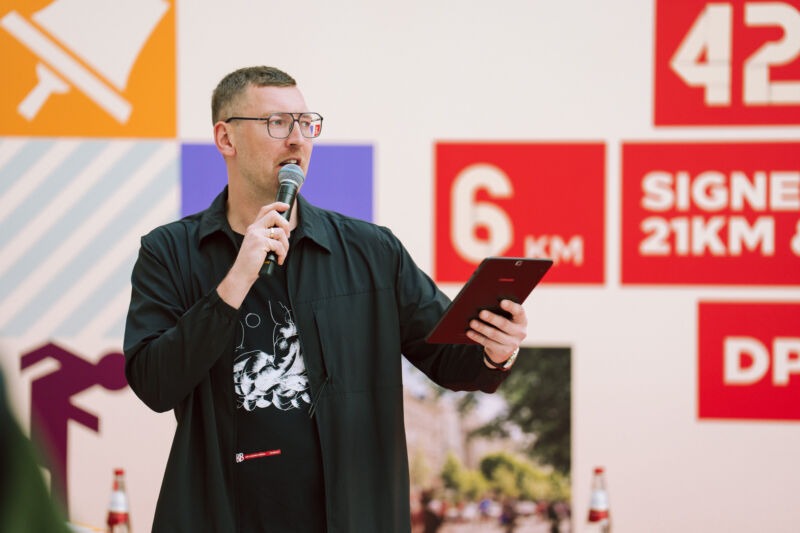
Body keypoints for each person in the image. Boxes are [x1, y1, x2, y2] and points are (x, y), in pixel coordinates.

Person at [123, 65, 527, 532]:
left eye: (305, 123)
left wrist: (497, 350)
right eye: (277, 123)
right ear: (226, 139)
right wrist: (235, 281)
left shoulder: (373, 252)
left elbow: (452, 361)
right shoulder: (170, 252)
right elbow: (154, 383)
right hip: (227, 517)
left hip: (351, 517)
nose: (297, 139)